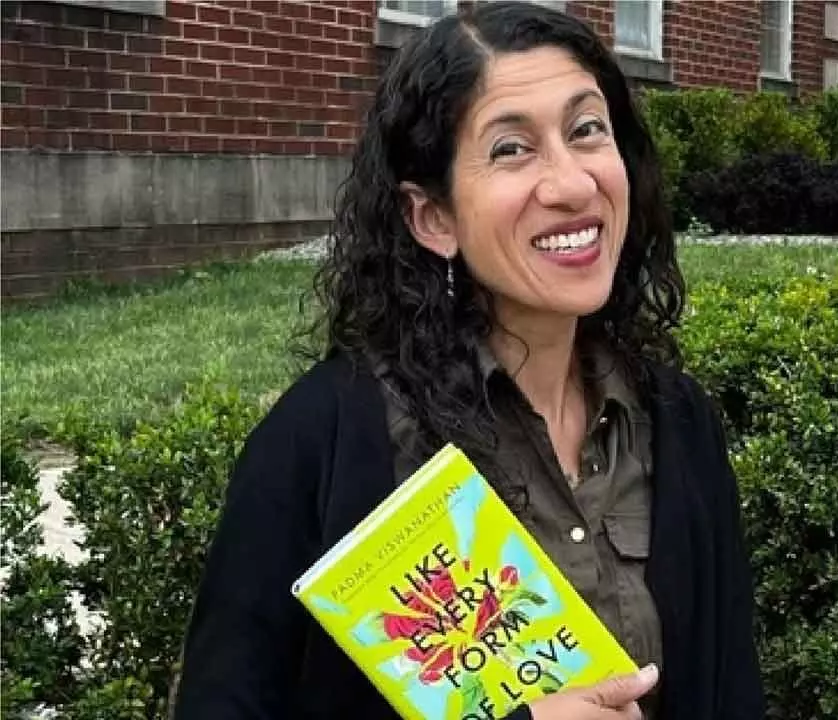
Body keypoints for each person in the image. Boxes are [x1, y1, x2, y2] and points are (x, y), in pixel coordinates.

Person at [170, 2, 763, 719]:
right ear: (434, 218)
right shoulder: (325, 442)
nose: (574, 184)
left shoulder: (678, 422)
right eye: (512, 149)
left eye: (586, 130)